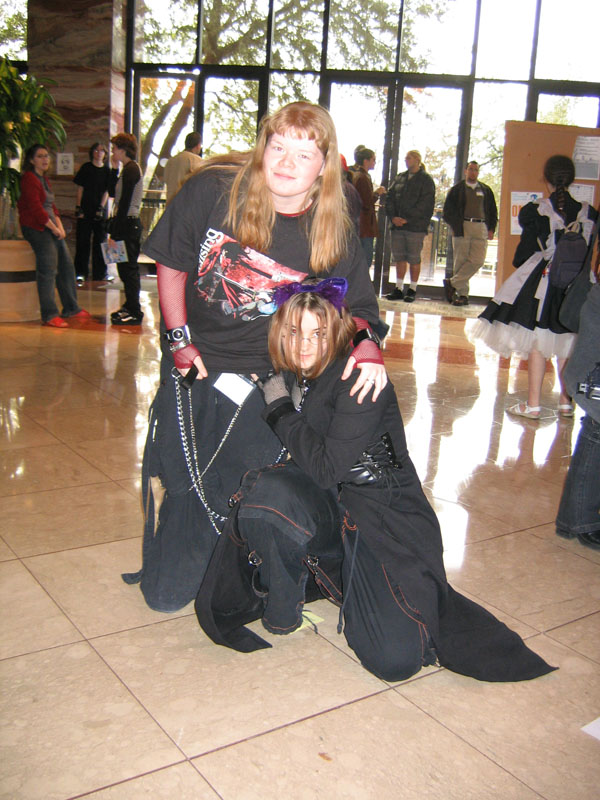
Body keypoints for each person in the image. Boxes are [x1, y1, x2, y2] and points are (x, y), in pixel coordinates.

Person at [195, 279, 556, 684]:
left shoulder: (358, 377)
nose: (304, 345)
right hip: (334, 505)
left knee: (394, 661)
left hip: (384, 516)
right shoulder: (299, 372)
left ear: (334, 333)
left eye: (317, 334)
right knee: (267, 494)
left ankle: (355, 585)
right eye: (294, 332)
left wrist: (279, 407)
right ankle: (284, 607)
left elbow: (326, 468)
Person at [122, 101, 387, 613]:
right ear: (263, 147)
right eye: (278, 147)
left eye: (304, 154)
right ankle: (187, 541)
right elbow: (172, 262)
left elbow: (357, 306)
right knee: (179, 494)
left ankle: (239, 556)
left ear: (324, 166)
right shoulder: (214, 190)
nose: (286, 163)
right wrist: (178, 340)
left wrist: (368, 345)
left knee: (239, 481)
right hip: (195, 359)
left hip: (268, 375)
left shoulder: (332, 224)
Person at [470, 155, 597, 419]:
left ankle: (534, 404)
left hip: (546, 284)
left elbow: (523, 255)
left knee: (539, 342)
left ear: (546, 179)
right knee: (567, 340)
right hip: (579, 287)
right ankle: (566, 402)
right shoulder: (589, 213)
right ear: (571, 180)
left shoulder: (536, 211)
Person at [17, 144, 91, 328]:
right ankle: (49, 314)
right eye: (40, 156)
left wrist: (59, 227)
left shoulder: (44, 179)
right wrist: (53, 228)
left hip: (50, 227)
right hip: (36, 228)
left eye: (46, 156)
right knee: (48, 268)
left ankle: (71, 307)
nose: (45, 159)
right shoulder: (29, 178)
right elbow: (36, 209)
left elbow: (52, 207)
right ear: (31, 160)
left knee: (66, 265)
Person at [555, 279, 600, 550]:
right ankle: (580, 521)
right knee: (597, 433)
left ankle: (574, 519)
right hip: (593, 373)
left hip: (590, 371)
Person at [442, 161, 498, 306]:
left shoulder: (485, 190)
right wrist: (455, 225)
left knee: (478, 260)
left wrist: (491, 228)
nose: (473, 172)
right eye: (471, 169)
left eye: (476, 170)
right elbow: (447, 211)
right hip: (463, 226)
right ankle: (463, 295)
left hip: (481, 226)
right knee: (460, 261)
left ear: (478, 172)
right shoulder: (457, 190)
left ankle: (452, 283)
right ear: (465, 171)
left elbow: (493, 210)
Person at [384, 150, 435, 303]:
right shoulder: (400, 178)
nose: (406, 160)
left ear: (417, 160)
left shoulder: (426, 180)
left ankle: (412, 289)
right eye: (406, 158)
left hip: (415, 227)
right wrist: (393, 217)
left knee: (413, 258)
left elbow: (426, 205)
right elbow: (390, 198)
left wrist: (407, 219)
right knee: (399, 257)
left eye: (409, 158)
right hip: (397, 227)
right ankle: (399, 288)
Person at [108, 133, 144, 326]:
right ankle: (129, 305)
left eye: (114, 148)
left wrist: (115, 233)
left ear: (123, 149)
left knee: (129, 269)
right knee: (123, 267)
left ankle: (134, 310)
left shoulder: (132, 169)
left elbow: (124, 203)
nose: (112, 152)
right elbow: (112, 192)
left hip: (128, 225)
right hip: (125, 224)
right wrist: (114, 169)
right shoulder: (125, 169)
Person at [73, 142, 112, 282]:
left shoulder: (107, 171)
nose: (99, 153)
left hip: (99, 210)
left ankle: (100, 273)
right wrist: (78, 207)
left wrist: (101, 207)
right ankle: (80, 272)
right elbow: (80, 188)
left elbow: (107, 190)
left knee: (101, 242)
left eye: (102, 151)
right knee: (82, 241)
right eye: (96, 150)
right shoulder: (86, 168)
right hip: (85, 208)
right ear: (92, 152)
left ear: (105, 154)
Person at [350, 146, 386, 268]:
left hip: (360, 223)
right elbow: (366, 202)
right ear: (366, 161)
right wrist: (377, 193)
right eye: (373, 159)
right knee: (366, 258)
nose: (375, 162)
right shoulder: (362, 177)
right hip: (364, 224)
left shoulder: (357, 175)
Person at [163, 131, 203, 204]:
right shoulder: (197, 160)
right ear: (198, 145)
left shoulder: (171, 161)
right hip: (187, 204)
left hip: (170, 203)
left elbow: (165, 180)